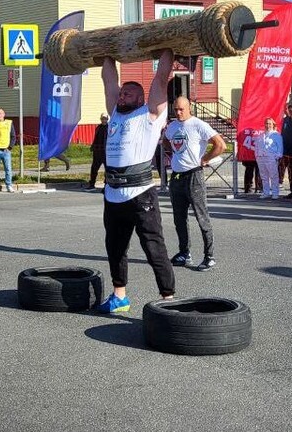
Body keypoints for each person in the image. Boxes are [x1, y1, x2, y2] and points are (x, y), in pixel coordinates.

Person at [96, 50, 176, 314]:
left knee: (154, 247)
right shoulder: (115, 114)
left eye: (128, 94)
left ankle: (168, 299)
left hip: (141, 194)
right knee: (115, 247)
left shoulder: (151, 114)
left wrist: (168, 48)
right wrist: (106, 50)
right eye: (122, 94)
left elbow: (161, 78)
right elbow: (108, 80)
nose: (122, 96)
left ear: (141, 98)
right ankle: (120, 297)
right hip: (113, 193)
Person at [165, 96, 225, 270]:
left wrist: (205, 159)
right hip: (177, 177)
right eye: (176, 109)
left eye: (181, 109)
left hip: (194, 176)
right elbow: (166, 140)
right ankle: (184, 253)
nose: (178, 112)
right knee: (179, 218)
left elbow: (220, 145)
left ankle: (209, 256)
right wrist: (173, 155)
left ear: (189, 107)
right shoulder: (172, 126)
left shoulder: (199, 125)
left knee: (201, 217)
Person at [254, 117, 283, 200]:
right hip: (261, 158)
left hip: (271, 158)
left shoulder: (276, 135)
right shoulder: (261, 135)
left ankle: (275, 193)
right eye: (266, 123)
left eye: (270, 124)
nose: (268, 125)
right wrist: (257, 156)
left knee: (274, 176)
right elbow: (257, 147)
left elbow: (280, 148)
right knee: (264, 177)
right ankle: (266, 192)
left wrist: (276, 157)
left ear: (273, 125)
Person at [84, 113, 108, 190]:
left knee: (107, 169)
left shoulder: (109, 127)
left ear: (107, 119)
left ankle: (106, 186)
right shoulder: (98, 127)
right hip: (97, 151)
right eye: (102, 118)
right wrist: (93, 146)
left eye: (105, 118)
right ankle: (92, 184)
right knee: (94, 168)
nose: (104, 120)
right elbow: (96, 138)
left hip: (106, 152)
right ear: (100, 119)